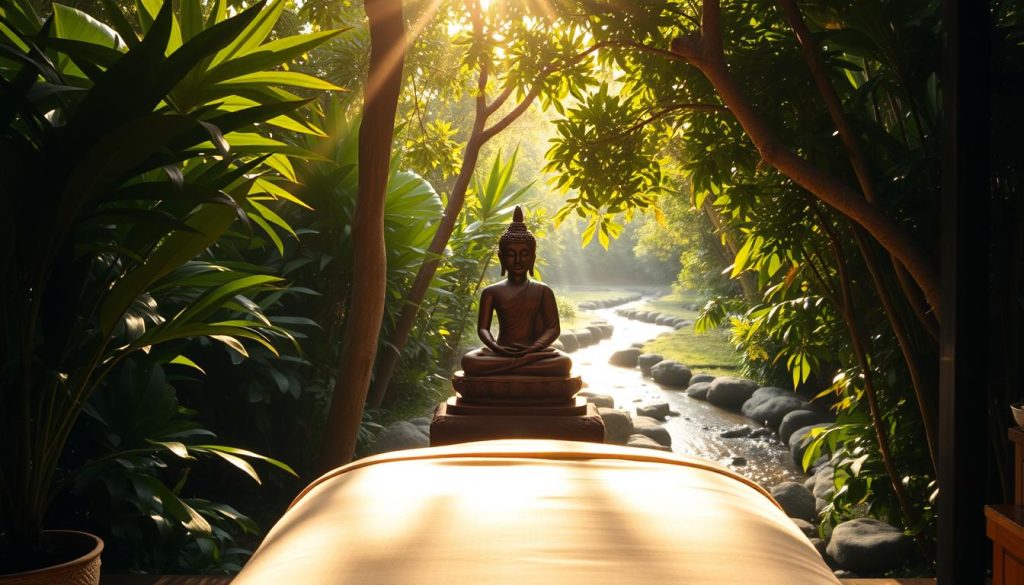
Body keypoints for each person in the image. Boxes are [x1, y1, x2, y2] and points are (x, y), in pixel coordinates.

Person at [460, 206, 572, 377]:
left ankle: (514, 365)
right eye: (511, 254)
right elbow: (483, 329)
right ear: (501, 257)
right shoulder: (492, 292)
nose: (518, 260)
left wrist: (533, 348)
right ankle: (517, 365)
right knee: (470, 361)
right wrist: (496, 347)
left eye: (524, 254)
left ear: (533, 257)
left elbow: (553, 329)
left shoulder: (543, 291)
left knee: (563, 363)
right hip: (501, 352)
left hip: (534, 353)